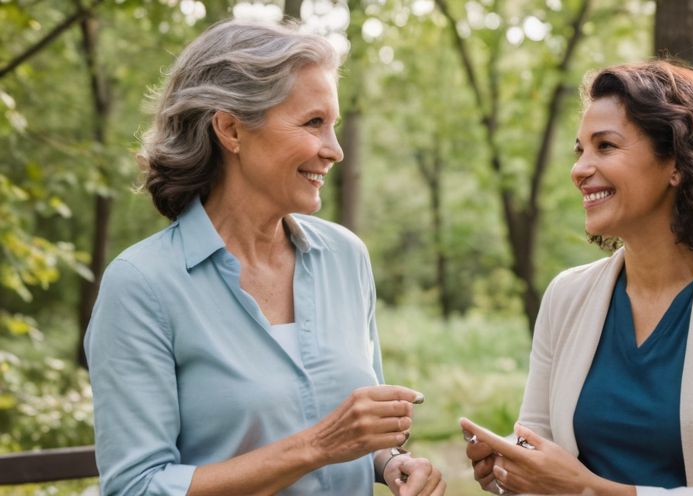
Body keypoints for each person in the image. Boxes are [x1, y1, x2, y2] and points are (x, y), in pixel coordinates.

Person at [85, 19, 446, 496]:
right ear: (231, 129)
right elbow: (136, 487)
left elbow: (351, 435)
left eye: (333, 126)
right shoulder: (141, 284)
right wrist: (316, 446)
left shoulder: (346, 258)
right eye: (314, 123)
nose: (334, 150)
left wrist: (390, 461)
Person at [461, 60, 693, 495]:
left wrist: (590, 490)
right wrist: (512, 470)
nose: (579, 169)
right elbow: (541, 452)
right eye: (580, 151)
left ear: (677, 164)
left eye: (605, 146)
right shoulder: (566, 296)